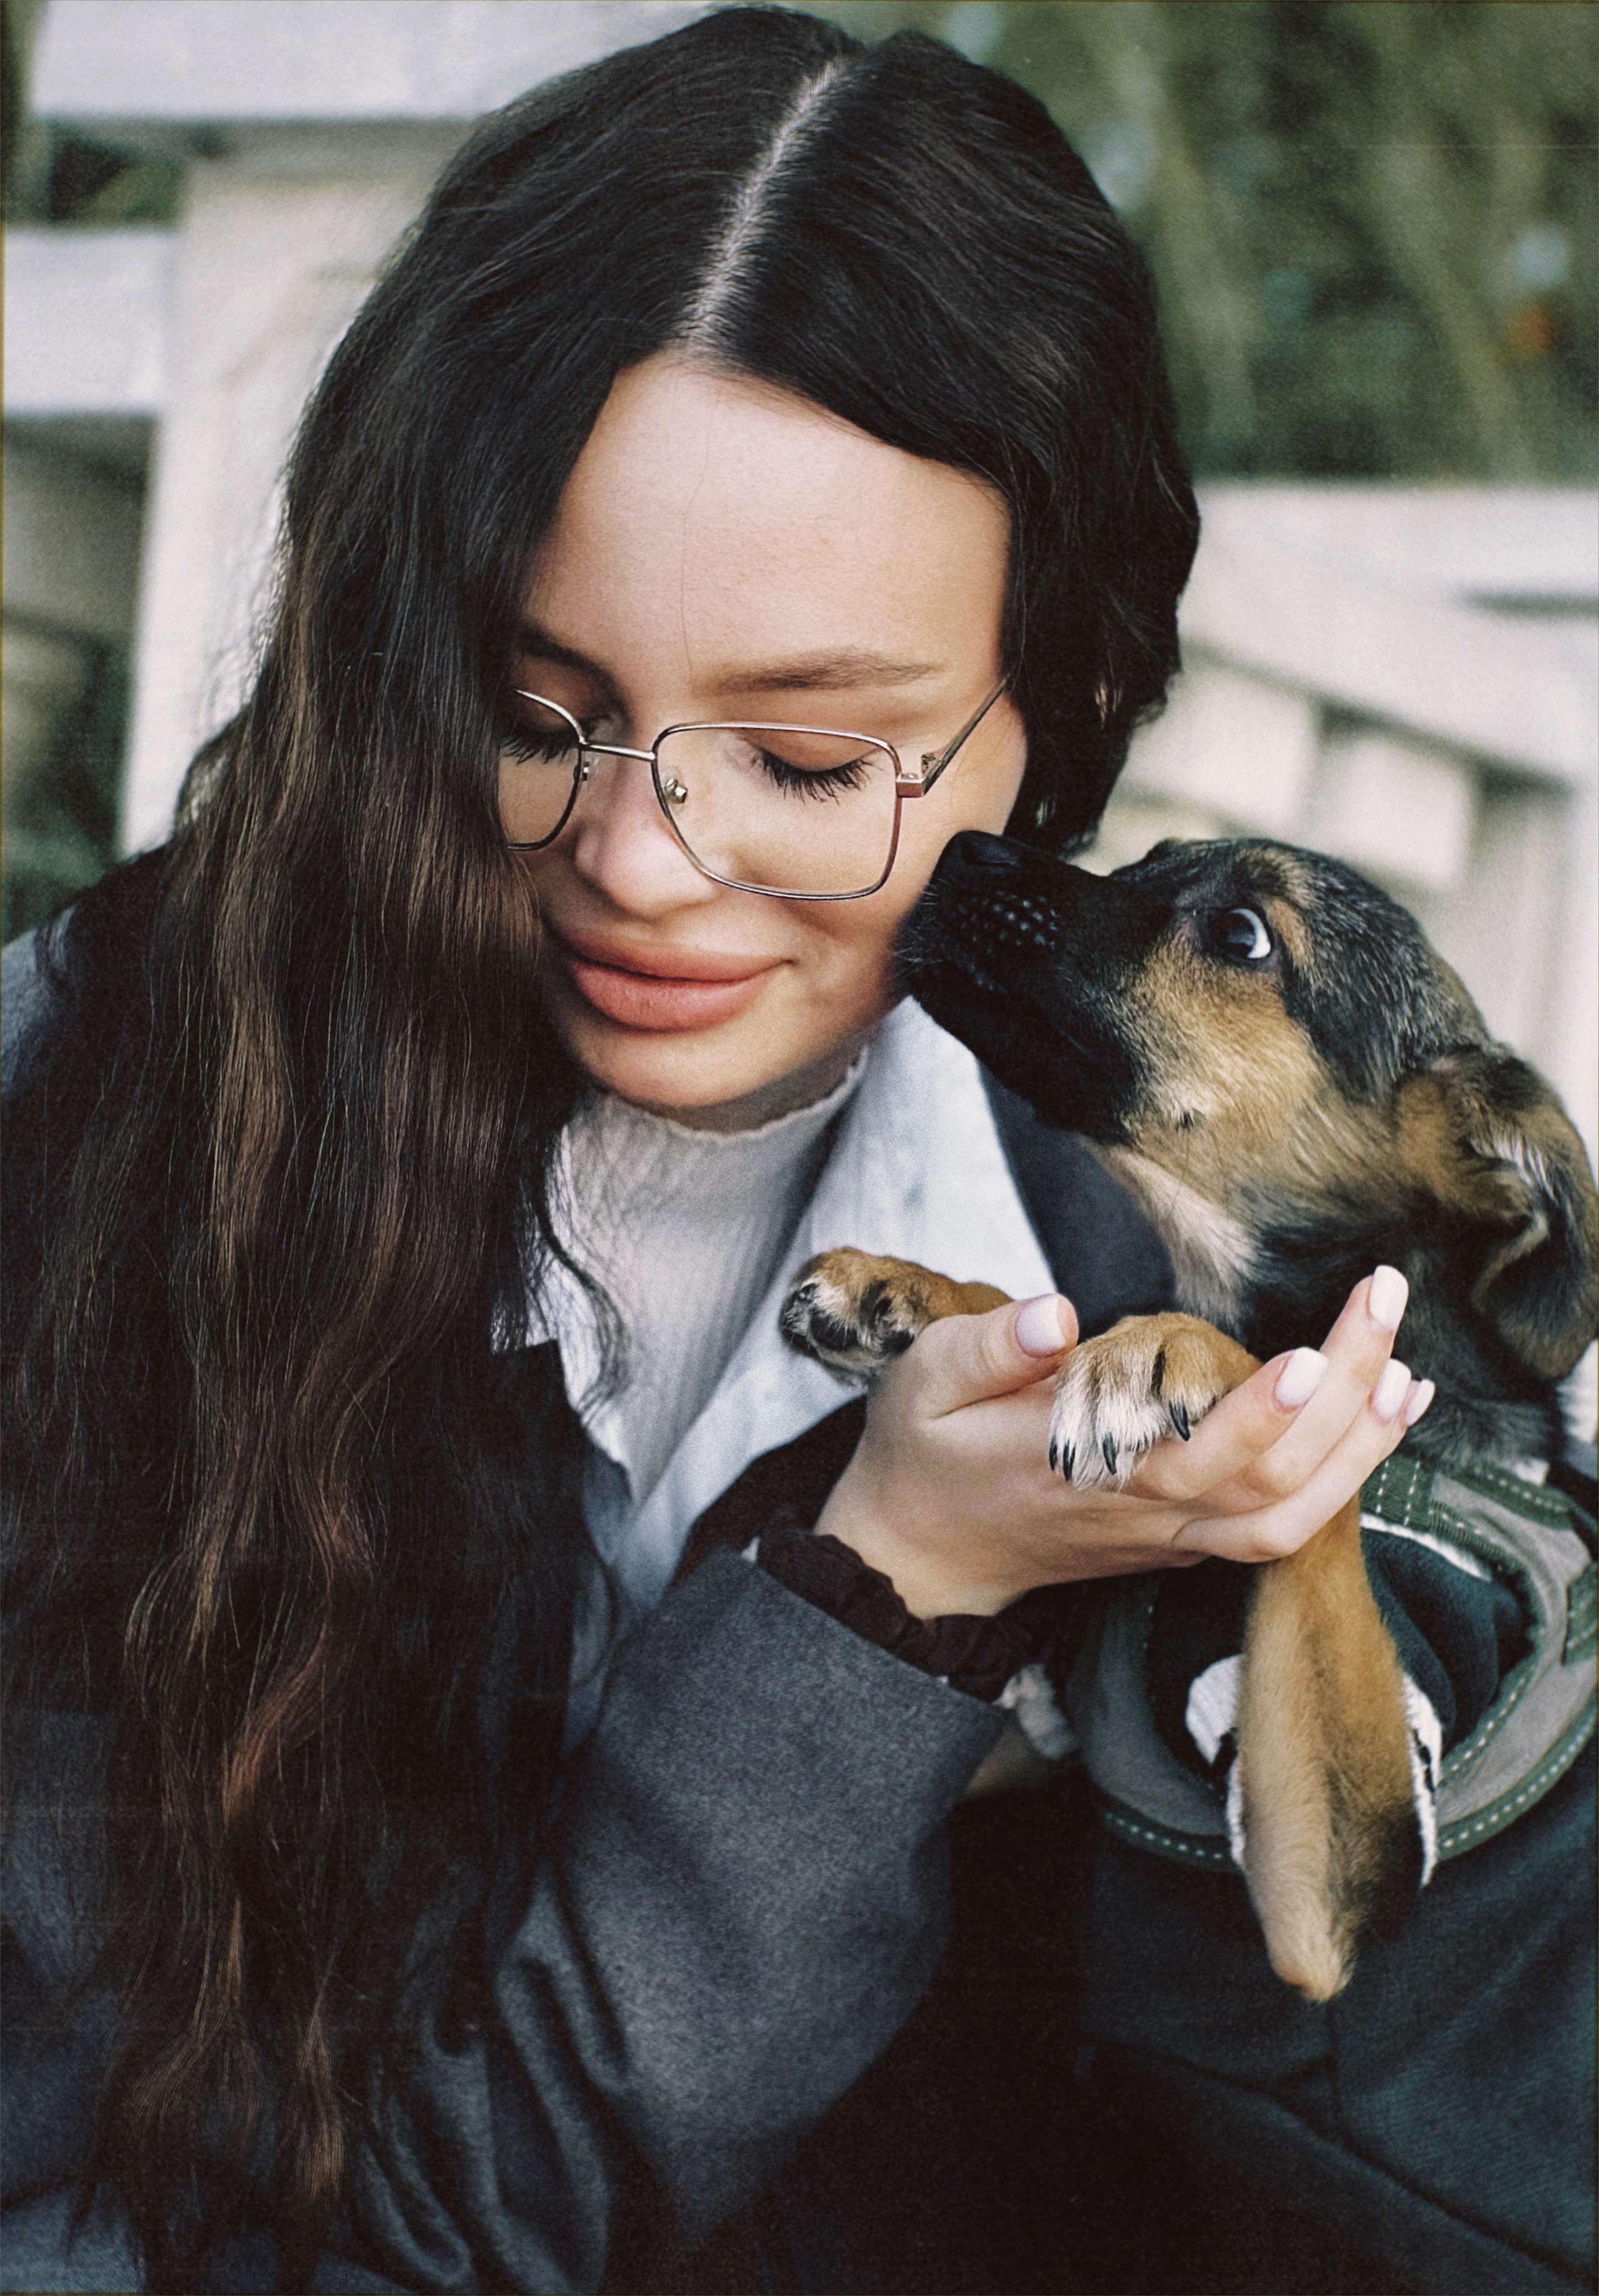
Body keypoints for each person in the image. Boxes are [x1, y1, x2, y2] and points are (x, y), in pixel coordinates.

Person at [2, 10, 1590, 2294]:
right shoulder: (95, 1156)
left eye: (814, 761)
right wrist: (883, 1602)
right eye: (534, 713)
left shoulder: (1159, 1292)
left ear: (1056, 721)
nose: (644, 867)